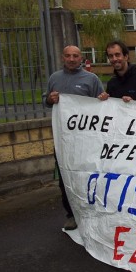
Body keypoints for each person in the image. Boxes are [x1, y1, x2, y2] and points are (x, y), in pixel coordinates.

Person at [43, 45, 105, 231]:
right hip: (62, 140)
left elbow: (102, 105)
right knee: (65, 177)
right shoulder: (54, 78)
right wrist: (49, 99)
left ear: (81, 58)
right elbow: (45, 101)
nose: (71, 59)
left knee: (90, 174)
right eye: (68, 56)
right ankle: (71, 214)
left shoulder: (91, 79)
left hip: (86, 140)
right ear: (63, 57)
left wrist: (103, 99)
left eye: (75, 56)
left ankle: (94, 212)